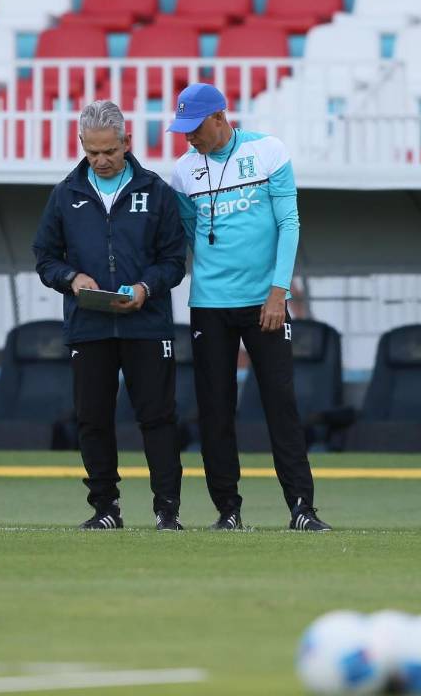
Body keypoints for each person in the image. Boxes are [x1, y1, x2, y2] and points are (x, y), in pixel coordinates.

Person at [167, 83, 331, 532]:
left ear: (220, 117)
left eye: (194, 128)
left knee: (281, 404)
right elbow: (184, 238)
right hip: (208, 306)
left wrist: (279, 292)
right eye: (183, 130)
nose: (189, 138)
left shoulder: (268, 151)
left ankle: (302, 508)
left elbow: (289, 223)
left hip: (265, 304)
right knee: (215, 410)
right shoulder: (183, 171)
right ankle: (228, 511)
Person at [33, 100, 187, 531]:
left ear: (126, 143)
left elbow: (174, 261)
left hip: (147, 323)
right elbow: (45, 257)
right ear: (82, 144)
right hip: (89, 325)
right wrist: (71, 278)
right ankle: (105, 509)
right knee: (92, 419)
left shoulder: (156, 192)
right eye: (92, 151)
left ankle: (167, 510)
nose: (101, 160)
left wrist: (145, 288)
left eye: (109, 151)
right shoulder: (65, 195)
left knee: (157, 418)